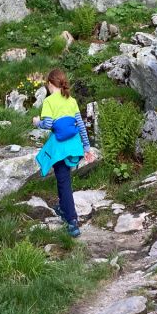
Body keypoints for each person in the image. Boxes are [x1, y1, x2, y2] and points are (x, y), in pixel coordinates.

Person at [32, 68, 95, 237]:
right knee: (63, 178)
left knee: (64, 181)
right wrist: (87, 147)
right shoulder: (71, 100)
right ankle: (62, 207)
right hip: (74, 146)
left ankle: (72, 220)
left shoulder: (49, 101)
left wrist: (37, 122)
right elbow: (80, 125)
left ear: (49, 83)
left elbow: (47, 124)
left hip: (60, 148)